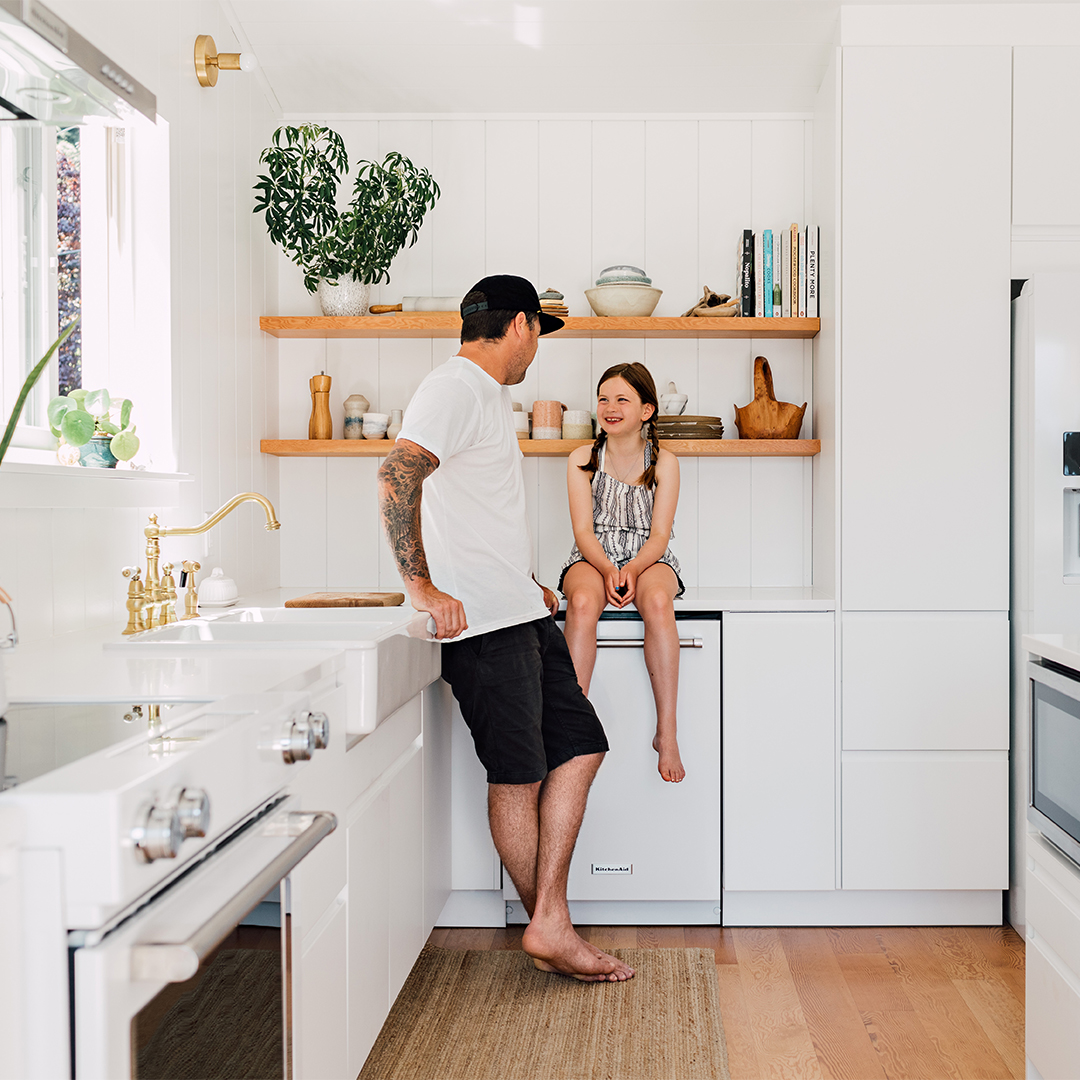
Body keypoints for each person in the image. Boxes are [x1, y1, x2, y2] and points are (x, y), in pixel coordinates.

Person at [377, 275, 634, 984]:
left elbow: (474, 508)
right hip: (484, 628)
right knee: (518, 777)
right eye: (539, 332)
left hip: (516, 609)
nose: (537, 348)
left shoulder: (484, 395)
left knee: (581, 746)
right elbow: (397, 476)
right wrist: (422, 588)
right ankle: (553, 927)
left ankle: (548, 921)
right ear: (520, 324)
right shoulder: (454, 388)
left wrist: (524, 582)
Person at [558, 362, 687, 783]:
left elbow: (660, 536)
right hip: (593, 555)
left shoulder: (665, 462)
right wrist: (609, 568)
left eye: (621, 400)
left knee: (658, 601)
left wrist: (631, 568)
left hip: (647, 557)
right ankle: (572, 726)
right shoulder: (582, 459)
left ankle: (666, 733)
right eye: (603, 399)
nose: (609, 408)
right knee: (581, 602)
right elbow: (583, 531)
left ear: (647, 410)